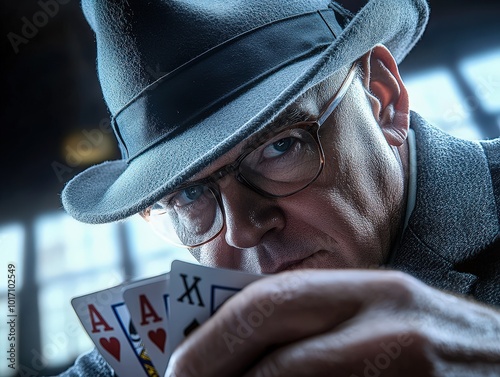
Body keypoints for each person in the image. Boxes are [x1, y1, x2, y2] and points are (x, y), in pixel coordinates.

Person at [60, 0, 500, 375]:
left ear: (382, 98)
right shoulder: (157, 346)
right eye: (187, 195)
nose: (243, 232)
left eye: (280, 146)